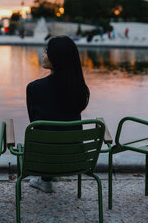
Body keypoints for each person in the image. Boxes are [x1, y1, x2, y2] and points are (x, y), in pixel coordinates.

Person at [26, 35, 90, 193]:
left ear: (56, 57)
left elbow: (34, 123)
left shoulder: (34, 88)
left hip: (42, 159)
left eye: (47, 51)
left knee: (46, 132)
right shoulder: (81, 90)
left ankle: (45, 179)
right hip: (73, 158)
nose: (43, 54)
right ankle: (47, 178)